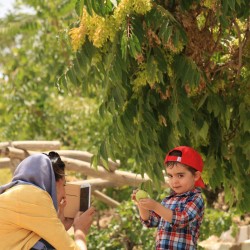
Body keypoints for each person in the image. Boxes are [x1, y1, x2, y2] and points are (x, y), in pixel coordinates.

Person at [0, 151, 95, 250]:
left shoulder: (15, 194)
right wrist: (80, 231)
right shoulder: (36, 196)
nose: (64, 194)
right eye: (64, 185)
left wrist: (60, 227)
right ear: (52, 182)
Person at [132, 146, 205, 249]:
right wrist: (141, 204)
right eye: (170, 176)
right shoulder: (168, 200)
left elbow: (181, 220)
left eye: (180, 175)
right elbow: (151, 221)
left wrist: (156, 206)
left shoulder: (195, 198)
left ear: (196, 176)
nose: (174, 181)